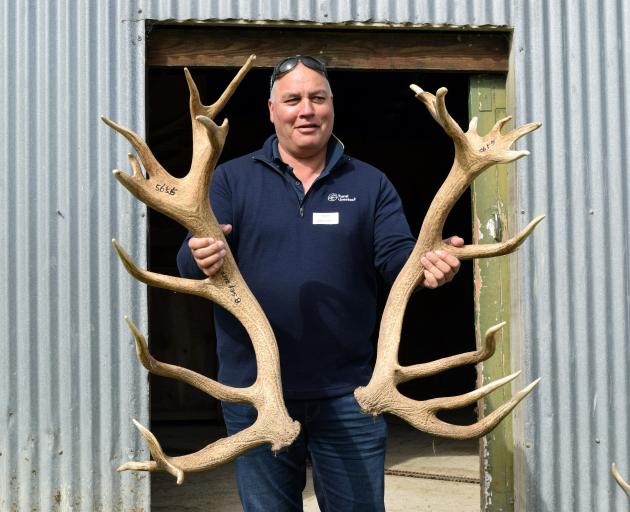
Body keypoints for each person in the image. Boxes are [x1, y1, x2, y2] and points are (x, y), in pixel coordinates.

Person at [177, 55, 463, 512]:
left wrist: (430, 266)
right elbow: (191, 260)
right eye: (292, 100)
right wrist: (198, 254)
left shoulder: (369, 184)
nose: (306, 110)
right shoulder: (231, 179)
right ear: (273, 110)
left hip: (350, 394)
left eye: (317, 98)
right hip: (257, 393)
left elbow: (396, 259)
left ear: (332, 105)